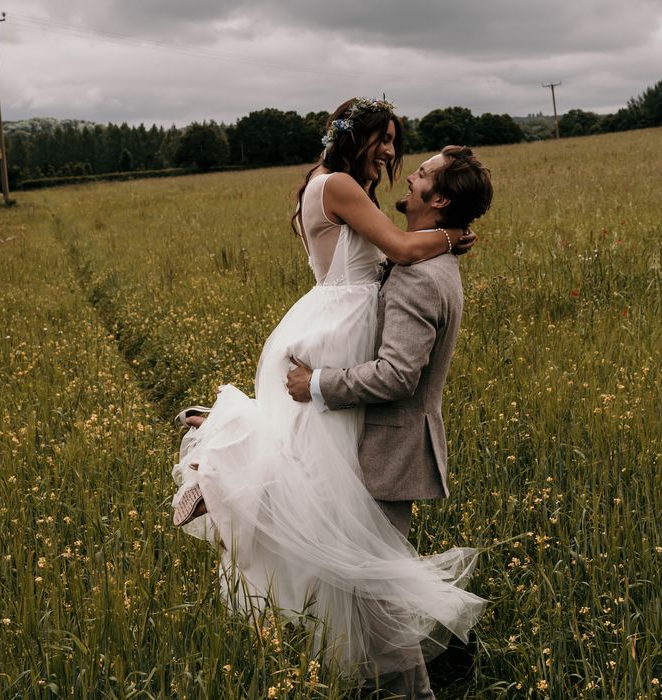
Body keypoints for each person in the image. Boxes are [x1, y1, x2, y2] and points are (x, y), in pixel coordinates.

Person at [170, 97, 485, 691]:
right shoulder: (339, 183)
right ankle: (222, 460)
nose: (393, 152)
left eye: (397, 142)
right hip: (344, 322)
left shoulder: (332, 183)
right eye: (382, 139)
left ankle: (231, 454)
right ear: (352, 137)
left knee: (321, 471)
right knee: (325, 473)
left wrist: (439, 236)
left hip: (342, 319)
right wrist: (451, 235)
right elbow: (399, 248)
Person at [286, 144, 494, 698]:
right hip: (382, 444)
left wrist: (319, 384)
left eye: (421, 174)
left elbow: (398, 376)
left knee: (374, 595)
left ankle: (421, 688)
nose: (408, 177)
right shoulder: (421, 261)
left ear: (438, 198)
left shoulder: (421, 278)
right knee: (366, 586)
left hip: (389, 450)